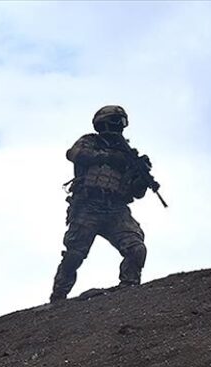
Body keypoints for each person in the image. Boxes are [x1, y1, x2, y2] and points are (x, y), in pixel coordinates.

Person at [50, 105, 159, 302]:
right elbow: (74, 154)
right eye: (116, 121)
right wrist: (108, 157)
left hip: (116, 209)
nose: (119, 126)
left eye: (122, 122)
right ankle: (58, 297)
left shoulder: (128, 155)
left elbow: (136, 192)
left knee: (136, 248)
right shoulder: (91, 141)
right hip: (88, 205)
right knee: (74, 254)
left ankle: (129, 287)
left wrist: (142, 178)